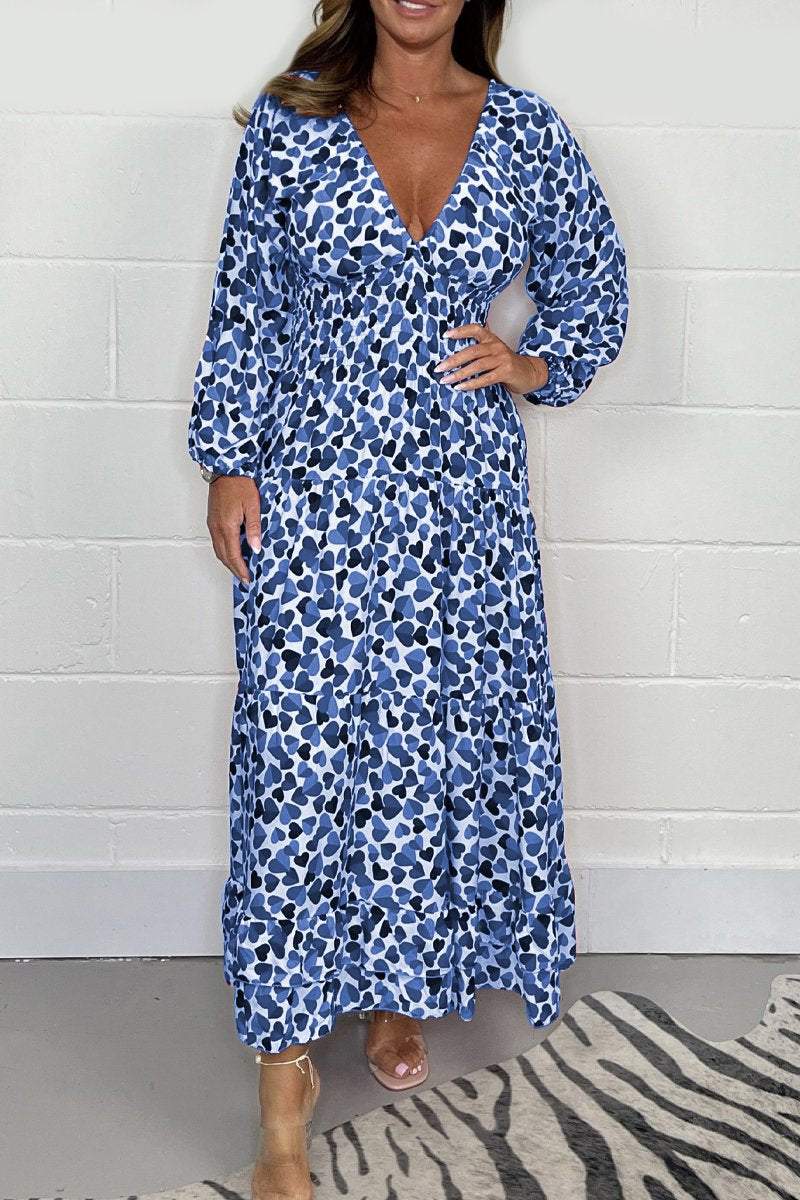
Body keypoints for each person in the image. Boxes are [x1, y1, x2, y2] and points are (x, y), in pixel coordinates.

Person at [187, 0, 628, 1195]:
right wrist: (228, 458)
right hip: (316, 485)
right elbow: (248, 302)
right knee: (296, 759)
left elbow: (594, 280)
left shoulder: (525, 133)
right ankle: (283, 1089)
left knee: (431, 746)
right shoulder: (295, 124)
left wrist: (532, 362)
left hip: (460, 505)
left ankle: (398, 988)